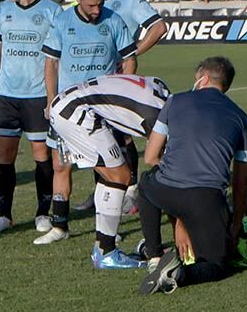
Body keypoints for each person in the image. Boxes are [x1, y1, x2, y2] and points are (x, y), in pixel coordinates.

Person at [36, 0, 137, 245]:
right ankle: (60, 226)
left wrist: (122, 92)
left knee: (107, 168)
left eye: (100, 3)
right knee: (61, 165)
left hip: (104, 108)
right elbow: (51, 63)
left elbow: (129, 58)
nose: (96, 10)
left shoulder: (113, 20)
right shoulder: (62, 22)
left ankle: (106, 229)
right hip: (68, 109)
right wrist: (51, 100)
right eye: (91, 4)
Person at [138, 57, 247, 294]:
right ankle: (179, 275)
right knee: (216, 266)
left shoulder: (175, 101)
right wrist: (235, 225)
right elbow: (240, 182)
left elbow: (150, 157)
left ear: (204, 79)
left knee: (146, 184)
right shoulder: (241, 118)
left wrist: (178, 214)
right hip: (207, 199)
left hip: (166, 190)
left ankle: (154, 256)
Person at [49, 74, 171, 268]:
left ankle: (103, 248)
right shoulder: (156, 117)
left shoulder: (162, 90)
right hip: (75, 111)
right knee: (119, 176)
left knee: (113, 176)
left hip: (70, 103)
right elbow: (156, 160)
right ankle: (105, 252)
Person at [0, 0, 61, 235]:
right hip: (7, 96)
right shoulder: (3, 10)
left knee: (42, 154)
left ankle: (43, 213)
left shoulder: (51, 11)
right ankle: (4, 215)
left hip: (37, 95)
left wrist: (52, 96)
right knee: (5, 155)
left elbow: (58, 57)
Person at [85, 0, 167, 214]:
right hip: (93, 77)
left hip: (118, 79)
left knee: (122, 136)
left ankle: (130, 190)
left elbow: (159, 27)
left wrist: (132, 53)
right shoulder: (92, 0)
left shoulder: (130, 0)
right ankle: (103, 189)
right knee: (98, 134)